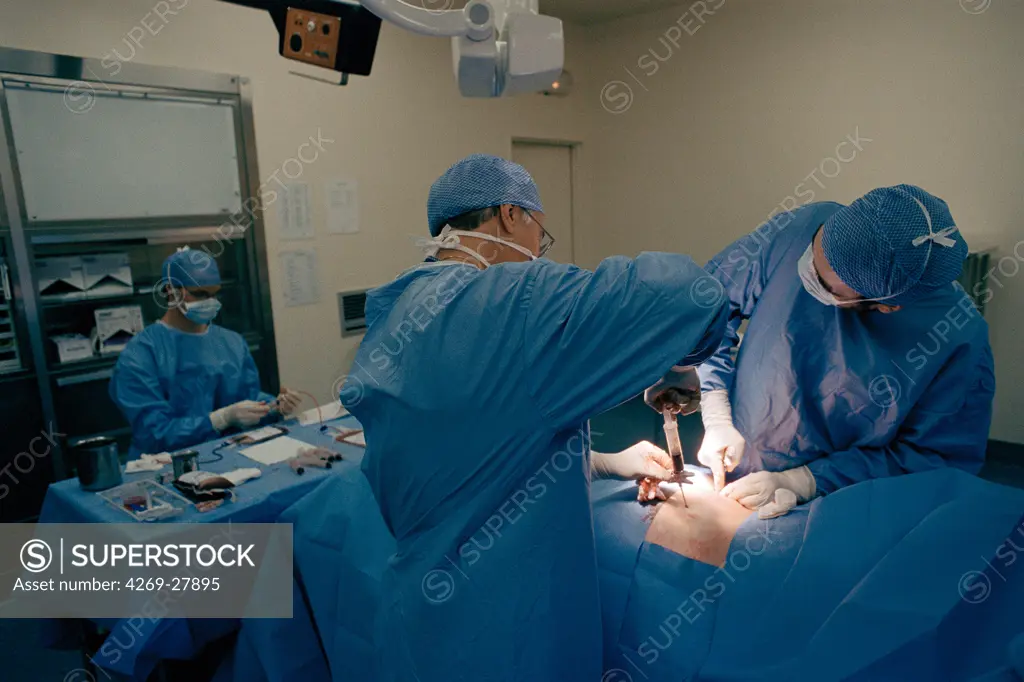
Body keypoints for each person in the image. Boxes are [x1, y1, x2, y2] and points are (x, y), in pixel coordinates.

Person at [340, 153, 727, 682]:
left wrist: (601, 461)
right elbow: (689, 293)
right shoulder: (514, 299)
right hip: (507, 633)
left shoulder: (398, 311)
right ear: (509, 215)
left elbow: (471, 449)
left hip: (422, 622)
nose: (535, 253)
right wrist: (677, 358)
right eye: (538, 236)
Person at [651, 184, 994, 518]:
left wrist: (807, 482)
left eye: (822, 282)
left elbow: (931, 462)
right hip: (747, 454)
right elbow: (710, 307)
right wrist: (716, 411)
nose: (805, 270)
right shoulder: (805, 226)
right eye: (814, 250)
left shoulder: (958, 338)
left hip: (843, 503)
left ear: (883, 307)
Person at [110, 247, 301, 458]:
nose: (210, 301)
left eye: (214, 293)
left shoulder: (231, 342)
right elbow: (153, 434)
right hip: (169, 465)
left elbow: (247, 399)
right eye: (200, 293)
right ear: (170, 291)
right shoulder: (140, 354)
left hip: (230, 456)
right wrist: (219, 419)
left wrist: (273, 407)